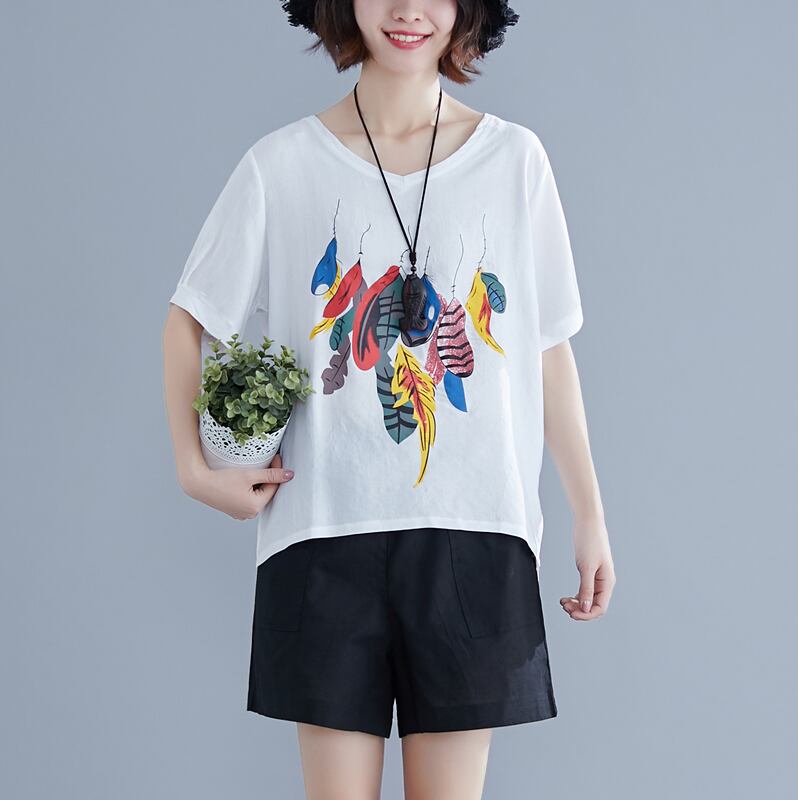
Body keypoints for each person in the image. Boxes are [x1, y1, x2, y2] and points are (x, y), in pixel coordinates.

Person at [162, 1, 616, 797]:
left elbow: (547, 348)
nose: (409, 10)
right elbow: (188, 319)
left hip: (477, 531)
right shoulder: (282, 165)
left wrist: (589, 514)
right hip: (324, 535)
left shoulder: (515, 160)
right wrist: (194, 471)